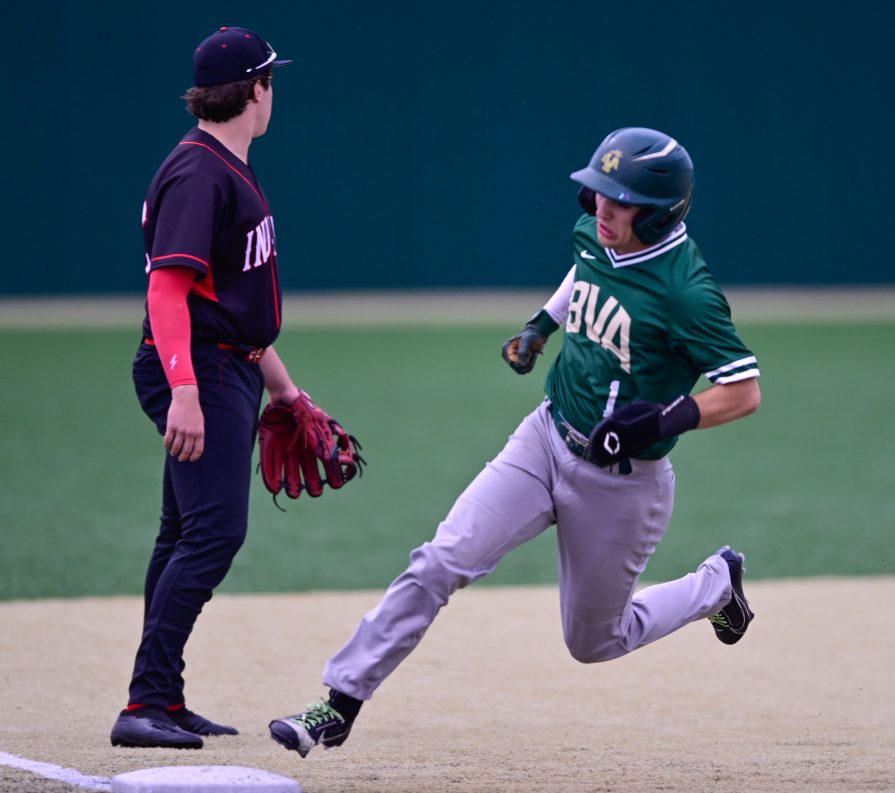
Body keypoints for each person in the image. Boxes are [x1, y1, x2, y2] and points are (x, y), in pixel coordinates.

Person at [268, 127, 762, 758]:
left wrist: (661, 421)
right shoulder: (597, 233)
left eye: (621, 200)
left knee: (595, 642)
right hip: (545, 437)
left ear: (662, 212)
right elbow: (584, 271)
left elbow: (743, 391)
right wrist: (542, 325)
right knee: (440, 560)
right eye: (598, 192)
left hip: (621, 484)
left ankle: (716, 585)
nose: (602, 208)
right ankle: (339, 703)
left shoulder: (687, 292)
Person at [111, 26, 308, 749]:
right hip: (198, 368)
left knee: (183, 533)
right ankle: (144, 702)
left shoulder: (224, 165)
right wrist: (185, 391)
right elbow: (168, 292)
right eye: (271, 81)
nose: (273, 93)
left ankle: (159, 696)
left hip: (226, 363)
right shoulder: (201, 173)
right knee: (215, 532)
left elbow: (229, 303)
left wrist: (285, 391)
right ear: (255, 89)